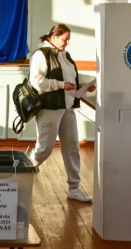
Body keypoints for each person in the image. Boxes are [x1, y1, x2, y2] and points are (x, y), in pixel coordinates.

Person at [28, 23, 95, 203]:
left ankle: (74, 187)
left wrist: (83, 87)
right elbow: (37, 82)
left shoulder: (66, 56)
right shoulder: (41, 55)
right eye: (65, 39)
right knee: (44, 149)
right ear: (54, 36)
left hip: (67, 108)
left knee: (72, 147)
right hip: (49, 108)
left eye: (68, 40)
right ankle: (21, 175)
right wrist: (61, 85)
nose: (67, 43)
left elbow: (69, 80)